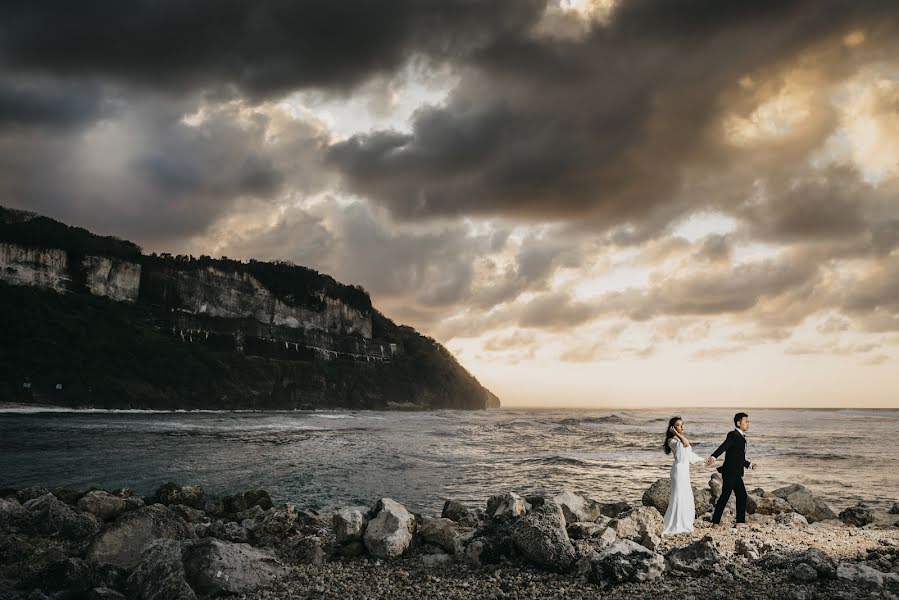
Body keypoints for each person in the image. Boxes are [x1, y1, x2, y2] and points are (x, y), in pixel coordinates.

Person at [705, 412, 758, 528]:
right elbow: (724, 446)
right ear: (739, 423)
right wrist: (714, 456)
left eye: (748, 422)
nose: (748, 424)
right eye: (746, 422)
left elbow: (739, 457)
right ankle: (738, 522)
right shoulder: (733, 435)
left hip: (734, 472)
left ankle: (717, 522)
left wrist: (749, 465)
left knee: (729, 495)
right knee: (738, 495)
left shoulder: (741, 438)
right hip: (731, 472)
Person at [662, 416, 706, 535]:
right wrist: (676, 434)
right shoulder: (672, 441)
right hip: (678, 470)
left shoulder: (680, 439)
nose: (682, 427)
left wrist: (703, 460)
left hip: (684, 471)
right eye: (678, 425)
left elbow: (689, 454)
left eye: (682, 424)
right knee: (678, 496)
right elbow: (685, 445)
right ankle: (675, 523)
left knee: (686, 495)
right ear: (672, 428)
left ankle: (686, 521)